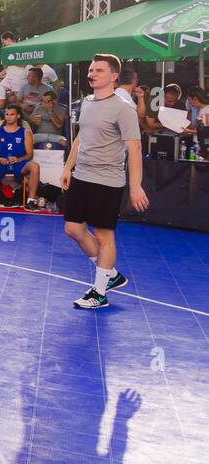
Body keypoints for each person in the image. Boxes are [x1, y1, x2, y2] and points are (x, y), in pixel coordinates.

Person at [60, 54, 149, 309]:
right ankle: (109, 273)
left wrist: (135, 186)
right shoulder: (87, 102)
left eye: (98, 70)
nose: (92, 73)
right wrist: (68, 167)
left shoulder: (124, 107)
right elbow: (80, 138)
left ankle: (99, 292)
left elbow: (134, 148)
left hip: (107, 181)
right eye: (90, 69)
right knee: (73, 229)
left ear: (114, 76)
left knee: (103, 235)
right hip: (82, 176)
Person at [0, 104, 42, 210]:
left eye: (12, 114)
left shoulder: (25, 132)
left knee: (34, 166)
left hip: (18, 164)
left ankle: (30, 201)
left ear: (18, 116)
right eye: (7, 114)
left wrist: (19, 159)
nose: (8, 117)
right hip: (1, 163)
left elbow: (30, 154)